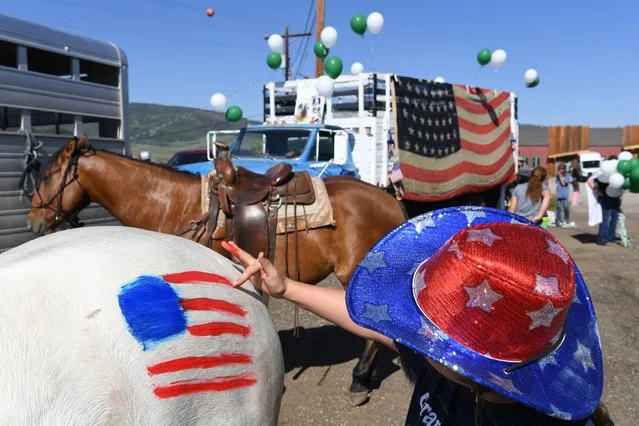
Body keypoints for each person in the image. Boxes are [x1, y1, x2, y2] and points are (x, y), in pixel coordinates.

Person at [222, 207, 613, 426]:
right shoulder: (447, 367)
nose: (410, 329)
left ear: (467, 357)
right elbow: (368, 318)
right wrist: (287, 288)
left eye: (425, 326)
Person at [588, 156, 621, 246]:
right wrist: (596, 190)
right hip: (605, 197)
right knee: (605, 219)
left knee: (614, 219)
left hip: (615, 197)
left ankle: (610, 238)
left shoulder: (618, 172)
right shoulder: (602, 171)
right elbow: (590, 180)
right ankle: (602, 239)